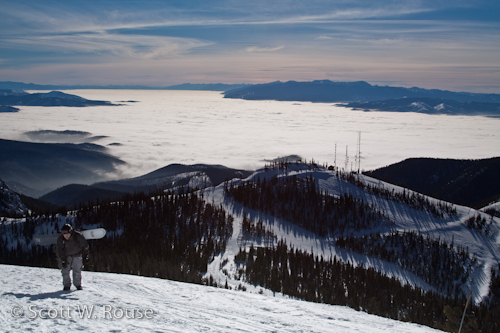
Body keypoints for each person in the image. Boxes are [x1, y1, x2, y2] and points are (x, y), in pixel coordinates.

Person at [56, 224, 90, 291]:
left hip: (77, 255)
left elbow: (85, 245)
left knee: (77, 271)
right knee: (65, 271)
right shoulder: (60, 239)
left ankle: (77, 285)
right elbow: (60, 250)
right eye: (63, 234)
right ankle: (66, 286)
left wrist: (86, 255)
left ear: (70, 232)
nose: (65, 235)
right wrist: (63, 259)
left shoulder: (78, 236)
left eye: (67, 233)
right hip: (67, 256)